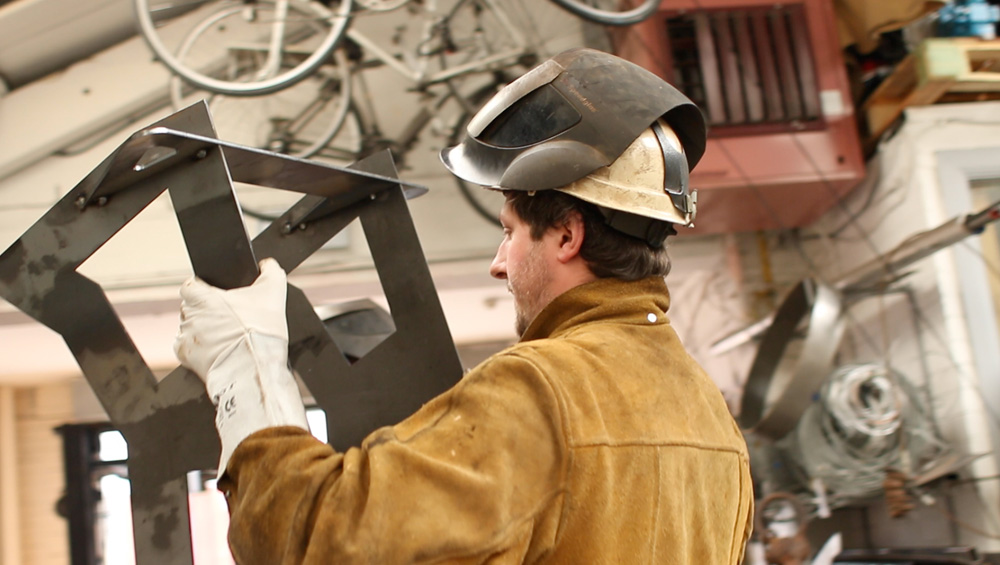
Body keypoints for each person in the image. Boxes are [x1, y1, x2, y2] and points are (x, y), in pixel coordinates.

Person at [175, 47, 754, 564]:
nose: (498, 264)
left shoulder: (544, 392)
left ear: (566, 236)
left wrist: (246, 373)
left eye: (509, 231)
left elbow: (317, 543)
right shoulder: (717, 428)